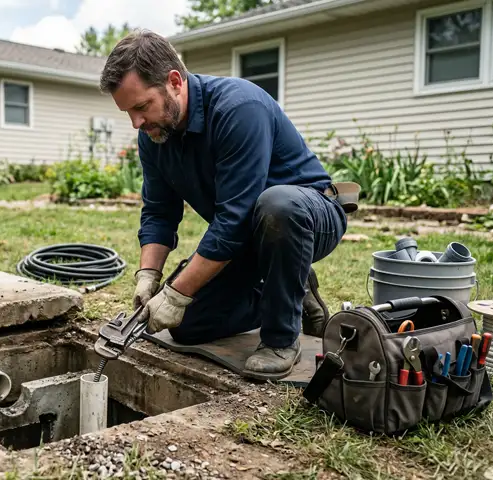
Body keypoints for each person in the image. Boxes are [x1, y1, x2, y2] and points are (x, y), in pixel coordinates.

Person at [98, 29, 348, 381]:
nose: (137, 123)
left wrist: (177, 293)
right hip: (246, 232)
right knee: (188, 324)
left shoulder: (238, 107)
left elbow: (234, 218)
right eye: (128, 112)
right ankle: (291, 288)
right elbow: (159, 211)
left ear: (174, 81)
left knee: (278, 205)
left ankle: (280, 339)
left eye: (141, 107)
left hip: (308, 215)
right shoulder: (154, 136)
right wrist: (149, 276)